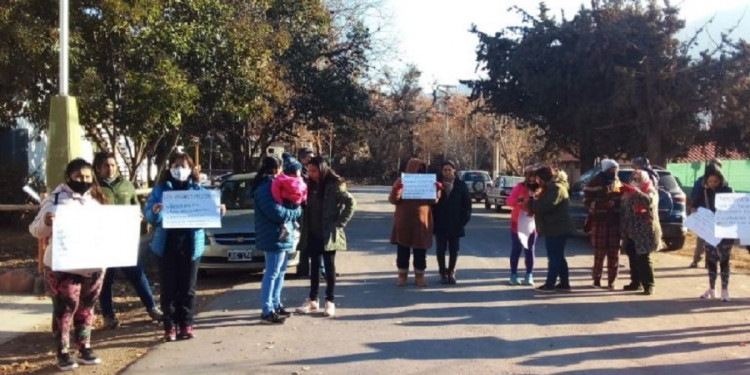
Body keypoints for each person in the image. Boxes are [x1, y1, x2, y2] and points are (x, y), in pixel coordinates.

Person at [29, 158, 107, 370]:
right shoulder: (55, 200)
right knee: (65, 308)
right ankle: (63, 351)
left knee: (87, 307)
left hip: (93, 264)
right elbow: (35, 230)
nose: (84, 180)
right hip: (63, 264)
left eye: (88, 177)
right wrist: (46, 222)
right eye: (79, 176)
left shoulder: (95, 199)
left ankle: (84, 347)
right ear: (68, 177)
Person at [144, 153, 220, 341]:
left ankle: (186, 324)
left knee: (188, 288)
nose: (179, 169)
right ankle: (169, 327)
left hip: (191, 246)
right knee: (168, 288)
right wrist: (156, 212)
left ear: (191, 168)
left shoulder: (199, 191)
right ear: (169, 168)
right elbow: (149, 216)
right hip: (166, 245)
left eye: (183, 166)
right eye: (176, 165)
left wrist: (218, 211)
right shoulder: (160, 190)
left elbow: (208, 216)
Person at [93, 152, 162, 329]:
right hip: (102, 240)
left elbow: (136, 207)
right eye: (106, 166)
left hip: (124, 240)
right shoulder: (93, 188)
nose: (110, 169)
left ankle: (152, 308)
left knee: (137, 275)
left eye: (113, 165)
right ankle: (109, 316)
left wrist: (138, 216)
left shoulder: (127, 185)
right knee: (106, 280)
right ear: (98, 168)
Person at [295, 157, 356, 317]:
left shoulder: (334, 185)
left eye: (314, 170)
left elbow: (351, 203)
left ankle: (330, 301)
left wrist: (340, 222)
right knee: (313, 266)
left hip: (328, 233)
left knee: (329, 267)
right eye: (309, 170)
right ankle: (313, 300)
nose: (311, 174)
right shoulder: (308, 184)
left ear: (322, 169)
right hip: (312, 232)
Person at [252, 156, 302, 323]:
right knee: (272, 273)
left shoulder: (274, 185)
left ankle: (275, 303)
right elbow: (276, 213)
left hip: (280, 234)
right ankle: (267, 310)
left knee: (279, 272)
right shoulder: (265, 187)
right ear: (277, 169)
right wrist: (296, 212)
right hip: (273, 235)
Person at [389, 157, 441, 287]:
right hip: (404, 222)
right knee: (402, 251)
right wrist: (397, 190)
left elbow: (433, 202)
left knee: (420, 252)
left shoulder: (427, 182)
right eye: (418, 169)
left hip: (421, 223)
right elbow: (393, 200)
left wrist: (437, 191)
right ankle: (402, 276)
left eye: (422, 169)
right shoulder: (401, 181)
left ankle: (420, 276)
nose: (420, 172)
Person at [691, 166, 734, 301]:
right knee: (711, 260)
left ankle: (725, 290)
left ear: (720, 180)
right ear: (706, 181)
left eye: (715, 181)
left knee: (724, 260)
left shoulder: (728, 191)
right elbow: (694, 206)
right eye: (710, 181)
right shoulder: (703, 192)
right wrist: (694, 212)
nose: (713, 184)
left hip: (726, 231)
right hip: (709, 230)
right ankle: (712, 288)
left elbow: (736, 209)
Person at [529, 167, 573, 292]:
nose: (538, 181)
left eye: (539, 178)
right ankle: (564, 283)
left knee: (554, 256)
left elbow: (544, 207)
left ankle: (550, 283)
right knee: (558, 256)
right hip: (555, 226)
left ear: (544, 177)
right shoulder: (553, 188)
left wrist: (530, 203)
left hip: (556, 227)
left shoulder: (557, 189)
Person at [619, 170, 662, 295]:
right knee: (632, 255)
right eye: (634, 179)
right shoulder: (629, 193)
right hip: (631, 230)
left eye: (638, 179)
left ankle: (649, 285)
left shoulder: (650, 191)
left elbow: (648, 202)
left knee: (643, 257)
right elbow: (625, 210)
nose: (635, 181)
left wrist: (635, 192)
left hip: (645, 230)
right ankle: (635, 282)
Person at [584, 159, 623, 290]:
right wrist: (602, 204)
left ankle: (611, 281)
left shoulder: (617, 181)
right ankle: (596, 279)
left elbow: (621, 197)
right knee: (599, 252)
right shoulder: (596, 180)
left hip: (615, 222)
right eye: (611, 169)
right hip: (600, 220)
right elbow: (587, 200)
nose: (614, 171)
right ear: (606, 169)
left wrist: (617, 203)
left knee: (614, 252)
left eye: (616, 169)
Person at [431, 160, 471, 284]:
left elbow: (467, 206)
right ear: (442, 172)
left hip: (455, 224)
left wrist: (462, 221)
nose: (447, 172)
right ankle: (442, 272)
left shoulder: (461, 185)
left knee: (454, 249)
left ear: (454, 170)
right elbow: (431, 205)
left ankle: (452, 271)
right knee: (440, 250)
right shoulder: (436, 185)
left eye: (449, 170)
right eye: (445, 170)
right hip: (440, 224)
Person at [688, 159, 728, 268]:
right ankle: (697, 260)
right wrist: (695, 207)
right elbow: (695, 196)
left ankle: (710, 262)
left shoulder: (725, 186)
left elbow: (730, 199)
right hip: (704, 215)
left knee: (715, 240)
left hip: (718, 216)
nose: (713, 183)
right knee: (702, 239)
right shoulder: (702, 183)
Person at [506, 166, 540, 286]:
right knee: (516, 249)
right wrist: (519, 202)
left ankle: (529, 275)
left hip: (531, 223)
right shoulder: (519, 187)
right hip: (517, 222)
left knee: (530, 250)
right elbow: (509, 201)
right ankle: (513, 275)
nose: (532, 179)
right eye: (530, 176)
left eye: (534, 176)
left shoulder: (540, 189)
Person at [271, 154, 307, 242]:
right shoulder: (301, 180)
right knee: (294, 213)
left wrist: (278, 200)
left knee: (283, 217)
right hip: (296, 203)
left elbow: (274, 189)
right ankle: (294, 222)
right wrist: (303, 201)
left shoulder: (281, 179)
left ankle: (284, 227)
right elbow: (305, 191)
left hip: (285, 201)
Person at [295, 148, 316, 277]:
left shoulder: (312, 169)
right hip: (302, 208)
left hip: (312, 208)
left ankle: (318, 269)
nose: (311, 160)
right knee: (304, 240)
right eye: (309, 157)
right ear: (302, 158)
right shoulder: (299, 172)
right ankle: (302, 269)